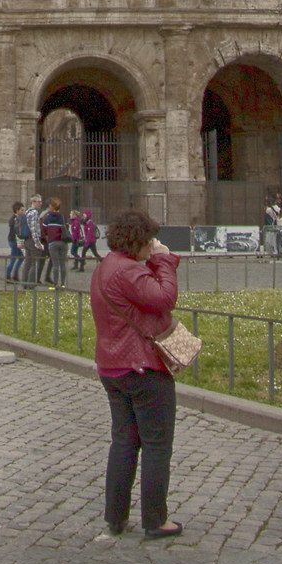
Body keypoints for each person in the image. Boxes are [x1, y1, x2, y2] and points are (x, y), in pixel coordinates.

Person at [90, 204, 182, 539]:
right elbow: (165, 297)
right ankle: (156, 520)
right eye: (149, 241)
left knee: (124, 443)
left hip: (112, 367)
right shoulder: (129, 271)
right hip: (142, 368)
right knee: (157, 445)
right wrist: (164, 260)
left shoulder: (105, 268)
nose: (152, 245)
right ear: (138, 241)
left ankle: (115, 517)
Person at [41, 198, 69, 285]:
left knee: (55, 264)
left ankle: (55, 283)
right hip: (63, 242)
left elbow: (44, 230)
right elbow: (67, 227)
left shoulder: (47, 218)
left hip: (52, 242)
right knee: (62, 264)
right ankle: (63, 284)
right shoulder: (63, 217)